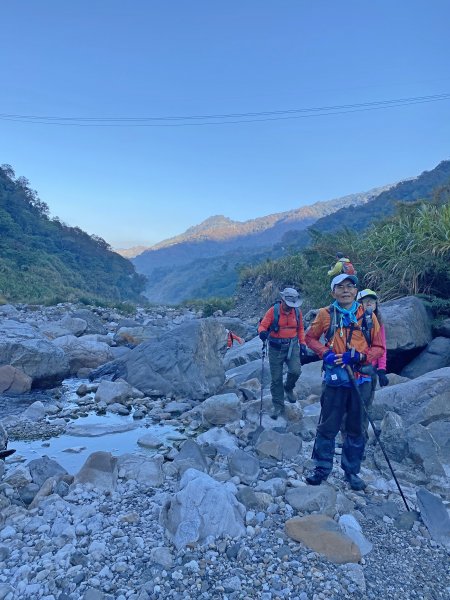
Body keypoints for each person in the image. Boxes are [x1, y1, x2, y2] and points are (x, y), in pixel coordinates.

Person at [304, 274, 385, 490]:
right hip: (335, 379)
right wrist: (325, 353)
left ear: (356, 291)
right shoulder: (325, 315)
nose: (346, 290)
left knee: (356, 427)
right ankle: (321, 468)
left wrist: (360, 357)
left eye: (350, 286)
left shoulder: (368, 317)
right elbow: (309, 338)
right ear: (333, 292)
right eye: (340, 287)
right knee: (328, 425)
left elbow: (379, 348)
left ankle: (352, 471)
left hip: (361, 379)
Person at [258, 287, 306, 418]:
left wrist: (303, 343)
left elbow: (300, 328)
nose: (290, 307)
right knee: (276, 379)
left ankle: (289, 387)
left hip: (292, 346)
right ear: (282, 300)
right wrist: (262, 332)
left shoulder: (297, 312)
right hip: (275, 348)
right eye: (288, 304)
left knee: (296, 371)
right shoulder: (273, 311)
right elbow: (262, 326)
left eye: (292, 305)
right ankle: (278, 406)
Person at [355, 288, 389, 440]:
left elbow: (382, 348)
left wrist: (382, 369)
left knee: (364, 408)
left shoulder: (379, 323)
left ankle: (360, 439)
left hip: (370, 371)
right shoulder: (353, 320)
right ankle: (350, 437)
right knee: (351, 406)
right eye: (366, 301)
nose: (369, 304)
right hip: (354, 369)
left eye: (372, 301)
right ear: (359, 304)